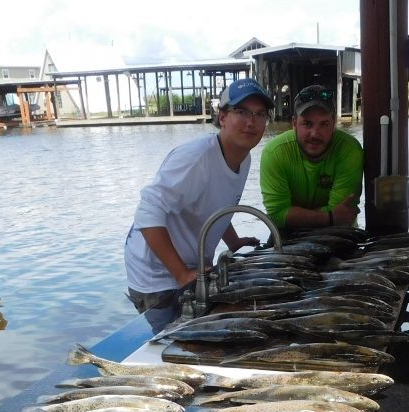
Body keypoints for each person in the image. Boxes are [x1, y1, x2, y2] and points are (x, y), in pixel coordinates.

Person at [123, 78, 273, 332]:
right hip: (156, 277)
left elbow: (216, 206)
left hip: (190, 266)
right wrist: (181, 274)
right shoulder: (195, 158)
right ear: (222, 116)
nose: (251, 122)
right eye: (242, 112)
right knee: (173, 343)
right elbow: (147, 214)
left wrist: (233, 242)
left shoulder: (242, 156)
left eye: (259, 114)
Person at [260, 84, 364, 232]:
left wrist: (293, 215)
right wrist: (330, 217)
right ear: (294, 124)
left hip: (339, 234)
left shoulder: (349, 150)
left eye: (324, 124)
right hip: (288, 236)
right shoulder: (274, 152)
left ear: (334, 123)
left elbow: (343, 214)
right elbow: (276, 214)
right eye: (307, 124)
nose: (315, 134)